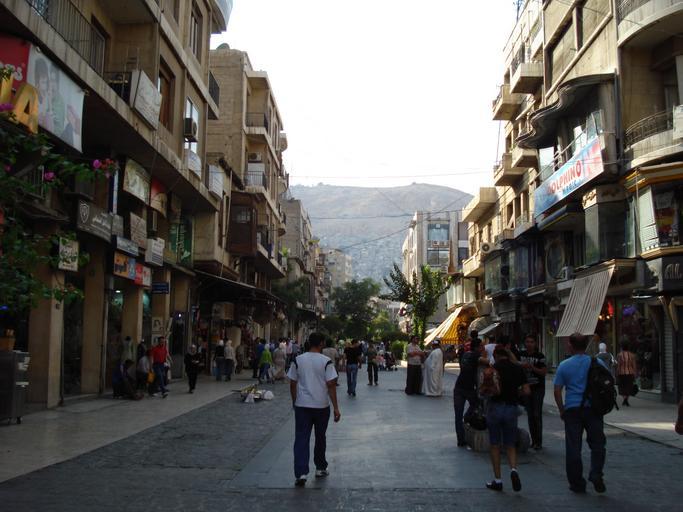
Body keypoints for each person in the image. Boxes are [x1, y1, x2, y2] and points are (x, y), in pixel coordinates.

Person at [553, 333, 607, 494]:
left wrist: (561, 409)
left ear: (570, 345)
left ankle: (577, 482)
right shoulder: (597, 363)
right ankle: (596, 473)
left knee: (573, 447)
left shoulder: (564, 365)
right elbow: (607, 384)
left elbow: (557, 390)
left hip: (572, 409)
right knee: (598, 444)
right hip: (593, 409)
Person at [288, 332, 341, 487]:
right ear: (321, 343)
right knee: (320, 437)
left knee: (301, 438)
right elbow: (331, 385)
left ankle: (301, 473)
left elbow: (292, 383)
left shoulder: (298, 360)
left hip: (302, 405)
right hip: (321, 405)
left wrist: (295, 401)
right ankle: (320, 467)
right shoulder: (326, 362)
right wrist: (336, 407)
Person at [485, 347, 529, 492]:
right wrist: (516, 393)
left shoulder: (492, 369)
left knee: (495, 445)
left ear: (496, 355)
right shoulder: (517, 369)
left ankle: (498, 480)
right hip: (511, 408)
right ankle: (513, 470)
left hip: (495, 408)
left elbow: (485, 390)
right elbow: (527, 390)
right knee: (510, 444)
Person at [454, 336, 486, 447]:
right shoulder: (476, 355)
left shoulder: (466, 354)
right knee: (477, 403)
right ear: (477, 347)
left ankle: (460, 440)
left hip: (459, 386)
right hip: (468, 388)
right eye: (481, 346)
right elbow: (487, 362)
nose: (483, 348)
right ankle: (467, 417)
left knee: (458, 416)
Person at [519, 335, 547, 450]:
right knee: (530, 415)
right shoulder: (521, 355)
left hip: (538, 388)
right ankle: (534, 440)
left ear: (535, 343)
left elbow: (544, 372)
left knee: (536, 414)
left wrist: (531, 367)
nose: (529, 344)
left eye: (531, 342)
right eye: (527, 342)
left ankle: (538, 441)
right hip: (526, 388)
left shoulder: (540, 356)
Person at [616, 340, 637, 407]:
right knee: (629, 387)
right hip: (630, 373)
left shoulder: (619, 355)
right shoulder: (632, 355)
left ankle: (624, 399)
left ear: (622, 347)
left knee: (622, 387)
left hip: (621, 373)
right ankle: (626, 400)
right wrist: (635, 373)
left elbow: (618, 365)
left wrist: (616, 373)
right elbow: (634, 365)